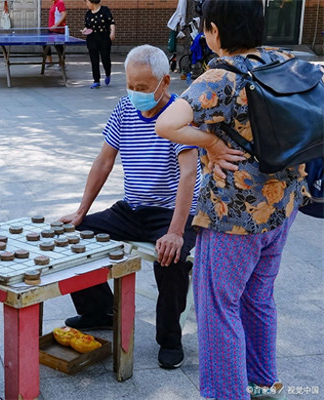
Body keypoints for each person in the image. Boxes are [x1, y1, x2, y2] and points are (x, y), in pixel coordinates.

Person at [155, 1, 310, 399]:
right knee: (258, 296)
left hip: (233, 216)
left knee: (217, 308)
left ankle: (225, 394)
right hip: (282, 205)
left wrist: (209, 141)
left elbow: (166, 124)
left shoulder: (220, 78)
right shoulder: (284, 61)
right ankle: (261, 380)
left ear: (214, 31)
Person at [60, 45, 201, 369]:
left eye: (142, 87)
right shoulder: (125, 108)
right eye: (130, 86)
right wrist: (81, 211)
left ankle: (169, 338)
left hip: (170, 212)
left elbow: (189, 173)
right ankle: (99, 311)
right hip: (132, 208)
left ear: (164, 81)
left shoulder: (180, 113)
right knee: (73, 236)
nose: (135, 93)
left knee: (172, 258)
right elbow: (104, 161)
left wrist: (177, 232)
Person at [82, 0, 115, 89]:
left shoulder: (105, 10)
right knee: (94, 61)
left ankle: (108, 73)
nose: (86, 4)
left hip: (104, 38)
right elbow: (87, 26)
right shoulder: (88, 13)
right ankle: (96, 80)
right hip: (92, 39)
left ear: (92, 2)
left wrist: (112, 32)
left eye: (87, 2)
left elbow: (111, 22)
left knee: (105, 59)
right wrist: (85, 30)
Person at [43, 0, 67, 69]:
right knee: (45, 43)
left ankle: (62, 63)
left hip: (58, 30)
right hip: (51, 29)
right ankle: (50, 61)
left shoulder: (60, 2)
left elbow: (64, 14)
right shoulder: (54, 3)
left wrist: (56, 25)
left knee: (58, 47)